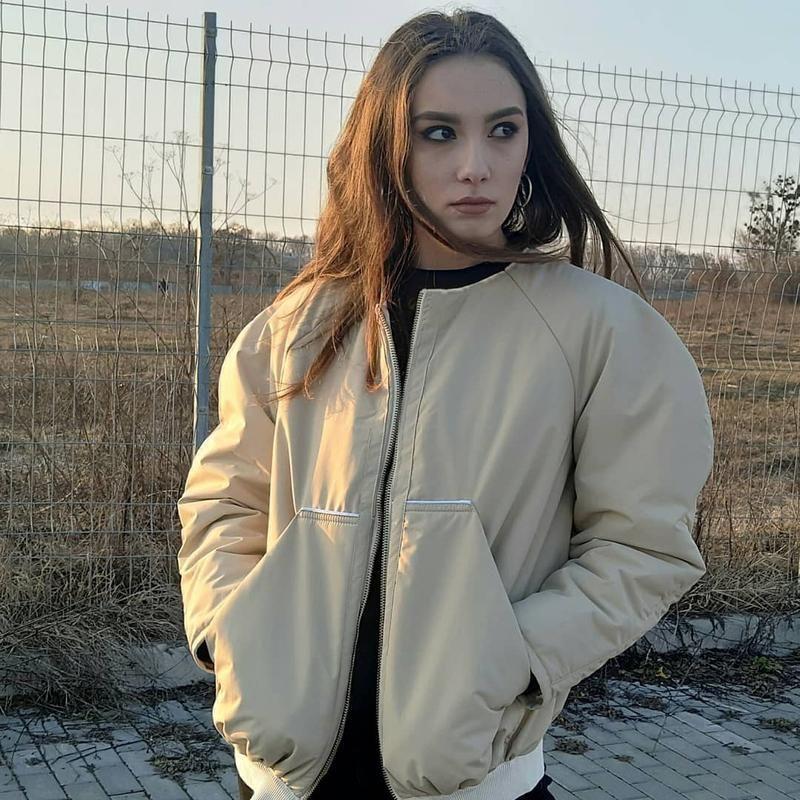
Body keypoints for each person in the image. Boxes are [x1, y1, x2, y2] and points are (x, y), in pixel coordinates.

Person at [176, 9, 714, 800]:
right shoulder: (295, 328)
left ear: (531, 142)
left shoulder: (602, 331)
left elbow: (642, 546)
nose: (475, 166)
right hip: (282, 781)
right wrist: (230, 636)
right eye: (438, 133)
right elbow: (225, 503)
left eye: (503, 130)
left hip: (479, 779)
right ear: (386, 144)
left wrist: (513, 662)